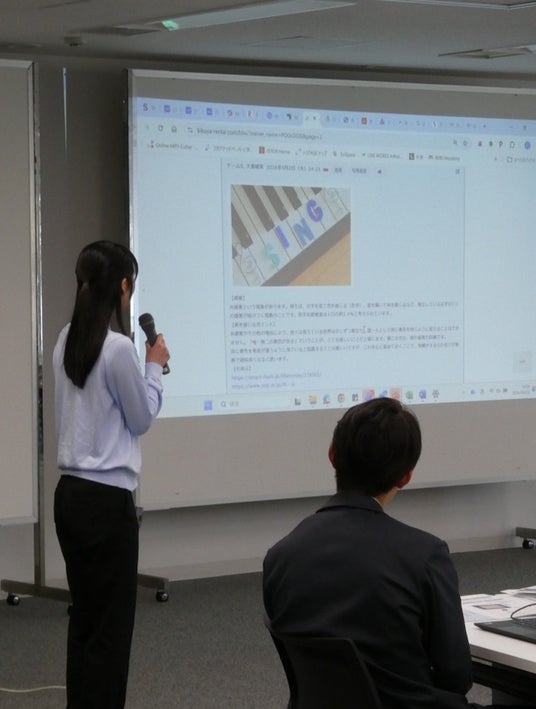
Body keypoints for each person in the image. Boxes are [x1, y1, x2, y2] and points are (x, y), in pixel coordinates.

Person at [263, 397, 534, 709]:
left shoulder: (280, 556)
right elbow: (456, 676)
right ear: (405, 476)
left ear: (332, 454)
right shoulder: (424, 555)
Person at [53, 240, 170, 709]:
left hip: (70, 498)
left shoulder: (66, 338)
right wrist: (154, 369)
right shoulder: (119, 348)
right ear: (123, 287)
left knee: (85, 619)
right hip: (106, 504)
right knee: (111, 631)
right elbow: (141, 419)